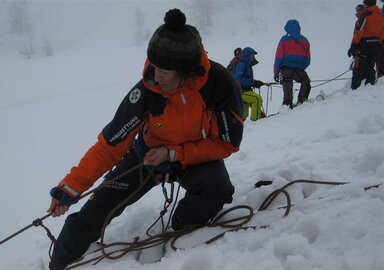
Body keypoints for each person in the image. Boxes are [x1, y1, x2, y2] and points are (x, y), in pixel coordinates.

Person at [46, 8, 244, 270]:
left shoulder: (219, 85)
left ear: (186, 72)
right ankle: (59, 263)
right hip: (148, 156)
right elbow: (109, 147)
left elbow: (227, 143)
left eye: (164, 70)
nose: (154, 75)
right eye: (154, 66)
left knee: (216, 189)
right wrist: (70, 188)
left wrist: (174, 154)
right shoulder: (147, 91)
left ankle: (182, 232)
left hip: (194, 157)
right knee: (99, 207)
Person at [273, 19, 311, 108]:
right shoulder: (305, 41)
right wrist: (301, 67)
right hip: (299, 71)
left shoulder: (284, 40)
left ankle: (287, 105)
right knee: (306, 82)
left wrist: (276, 73)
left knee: (287, 92)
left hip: (285, 70)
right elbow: (308, 59)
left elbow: (278, 58)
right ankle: (302, 101)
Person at [348, 0, 383, 90]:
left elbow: (359, 32)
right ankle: (370, 88)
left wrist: (353, 46)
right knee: (370, 67)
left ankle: (355, 90)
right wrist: (379, 42)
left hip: (363, 46)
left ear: (367, 4)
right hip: (376, 45)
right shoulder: (380, 15)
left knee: (358, 69)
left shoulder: (366, 15)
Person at [234, 47, 266, 121]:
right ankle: (255, 121)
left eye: (253, 55)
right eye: (252, 55)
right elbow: (238, 78)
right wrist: (253, 83)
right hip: (241, 91)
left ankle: (241, 125)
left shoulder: (247, 65)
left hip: (245, 91)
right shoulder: (242, 64)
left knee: (244, 114)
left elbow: (246, 79)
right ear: (247, 55)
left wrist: (255, 82)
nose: (253, 57)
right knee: (257, 98)